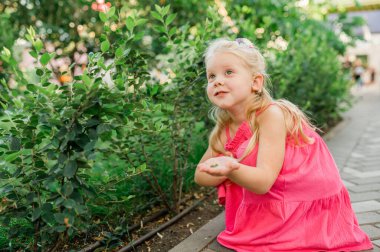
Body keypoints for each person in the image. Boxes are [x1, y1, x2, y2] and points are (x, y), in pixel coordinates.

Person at [194, 38, 373, 251]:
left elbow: (263, 182)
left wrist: (231, 169)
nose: (217, 81)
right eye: (211, 76)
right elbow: (200, 176)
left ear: (256, 82)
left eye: (228, 72)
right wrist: (223, 167)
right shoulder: (225, 128)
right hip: (273, 199)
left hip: (301, 202)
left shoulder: (270, 115)